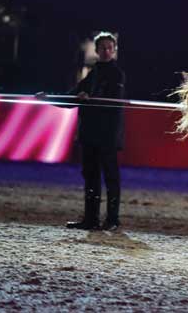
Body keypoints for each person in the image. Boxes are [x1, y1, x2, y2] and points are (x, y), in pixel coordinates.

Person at [59, 32, 126, 231]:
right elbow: (73, 97)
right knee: (90, 176)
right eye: (102, 48)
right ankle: (91, 219)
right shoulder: (94, 73)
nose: (105, 51)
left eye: (109, 48)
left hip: (107, 135)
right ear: (96, 50)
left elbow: (110, 101)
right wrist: (49, 99)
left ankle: (112, 220)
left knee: (110, 177)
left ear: (114, 51)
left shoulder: (117, 74)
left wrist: (89, 97)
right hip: (89, 134)